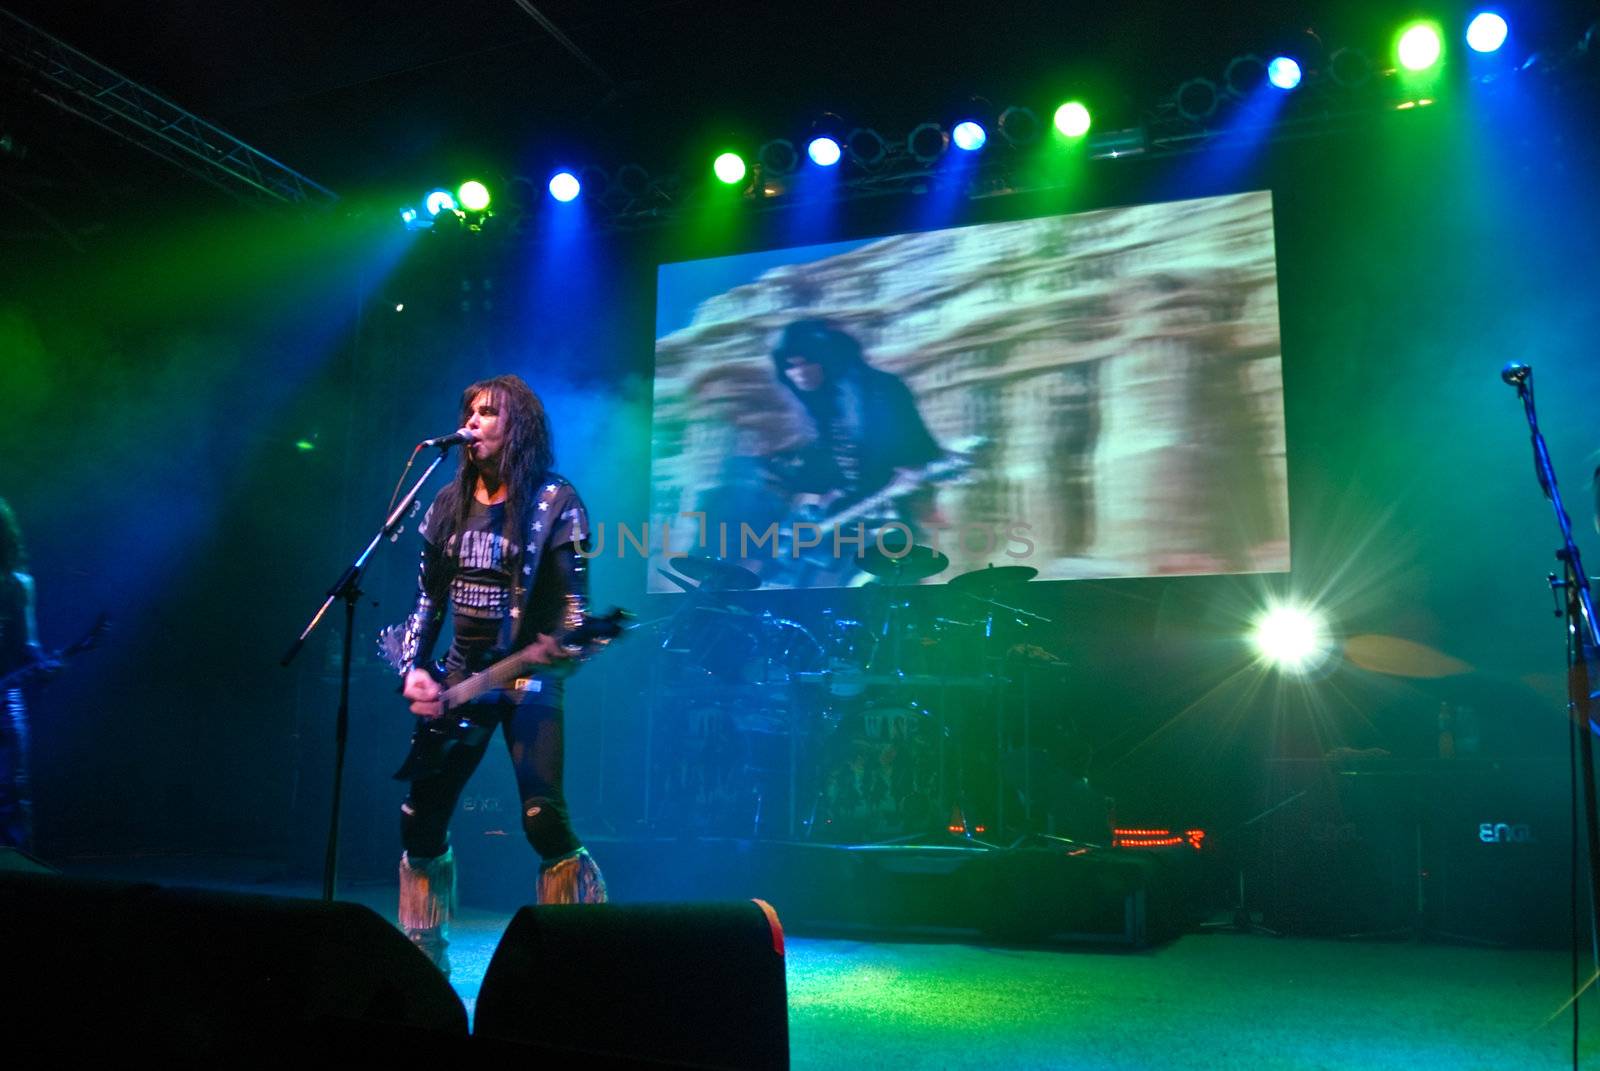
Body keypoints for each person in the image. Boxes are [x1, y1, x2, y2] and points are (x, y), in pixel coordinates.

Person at [393, 374, 606, 976]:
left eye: (489, 413)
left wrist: (565, 647)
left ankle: (580, 957)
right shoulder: (445, 503)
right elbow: (425, 603)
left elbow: (574, 610)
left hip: (526, 679)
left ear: (520, 428)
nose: (474, 423)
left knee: (543, 817)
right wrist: (414, 669)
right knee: (421, 817)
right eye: (471, 412)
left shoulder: (555, 501)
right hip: (460, 681)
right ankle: (420, 959)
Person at [0, 497, 46, 851]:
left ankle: (21, 879)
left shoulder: (18, 584)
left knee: (14, 788)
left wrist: (46, 664)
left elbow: (30, 646)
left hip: (6, 697)